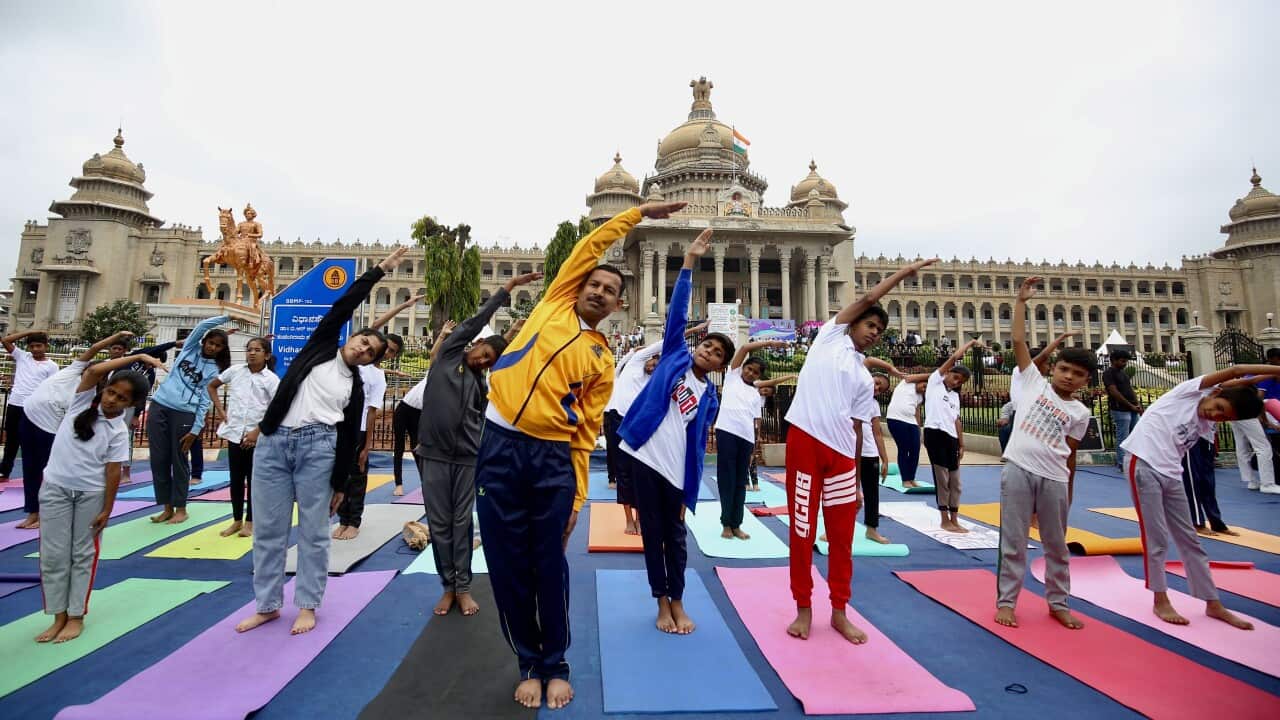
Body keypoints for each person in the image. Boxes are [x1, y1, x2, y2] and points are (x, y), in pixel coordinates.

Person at [479, 202, 681, 710]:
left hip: (551, 459)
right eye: (595, 283)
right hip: (499, 446)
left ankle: (556, 664)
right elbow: (587, 248)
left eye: (611, 291)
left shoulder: (601, 358)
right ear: (580, 285)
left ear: (617, 306)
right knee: (506, 563)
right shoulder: (554, 304)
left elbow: (587, 430)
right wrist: (639, 213)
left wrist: (577, 500)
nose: (600, 291)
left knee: (550, 562)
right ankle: (528, 661)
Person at [236, 247, 404, 637]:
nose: (364, 348)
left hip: (318, 449)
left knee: (313, 532)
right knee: (269, 529)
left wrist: (339, 484)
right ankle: (267, 605)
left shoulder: (356, 386)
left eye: (371, 352)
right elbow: (343, 305)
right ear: (354, 337)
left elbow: (348, 439)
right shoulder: (321, 347)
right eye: (363, 340)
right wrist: (379, 270)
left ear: (369, 361)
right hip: (274, 445)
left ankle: (308, 605)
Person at [782, 257, 937, 644]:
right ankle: (803, 607)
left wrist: (854, 481)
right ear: (851, 321)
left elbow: (856, 426)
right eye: (870, 324)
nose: (874, 333)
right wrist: (904, 274)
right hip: (805, 444)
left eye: (880, 330)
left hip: (840, 458)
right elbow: (868, 295)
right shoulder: (829, 338)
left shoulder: (862, 376)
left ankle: (839, 610)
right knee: (802, 531)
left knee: (841, 537)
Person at [621, 228, 733, 634]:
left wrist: (690, 489)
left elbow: (699, 446)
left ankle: (680, 600)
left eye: (717, 353)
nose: (708, 351)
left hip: (675, 472)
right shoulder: (674, 358)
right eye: (706, 345)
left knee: (677, 538)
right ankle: (662, 603)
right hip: (646, 458)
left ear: (720, 366)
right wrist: (688, 262)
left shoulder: (709, 398)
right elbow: (677, 316)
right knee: (653, 537)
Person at [416, 270, 540, 617]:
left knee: (462, 523)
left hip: (469, 458)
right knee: (439, 524)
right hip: (434, 457)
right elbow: (475, 321)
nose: (483, 361)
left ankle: (464, 586)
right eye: (485, 353)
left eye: (489, 362)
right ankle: (448, 587)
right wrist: (508, 288)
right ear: (477, 344)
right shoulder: (450, 356)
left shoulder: (481, 385)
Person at [1119, 361, 1279, 629]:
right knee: (1156, 537)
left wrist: (1258, 380)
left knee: (1190, 539)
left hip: (1171, 473)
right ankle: (1160, 599)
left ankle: (1212, 602)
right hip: (1142, 463)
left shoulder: (1206, 420)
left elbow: (1240, 385)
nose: (1216, 416)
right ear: (1214, 394)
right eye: (1218, 409)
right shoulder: (1187, 393)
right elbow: (1236, 372)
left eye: (1225, 418)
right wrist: (1276, 371)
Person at [995, 277, 1093, 631]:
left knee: (1056, 544)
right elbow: (1019, 340)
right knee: (1014, 540)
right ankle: (1007, 602)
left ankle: (1059, 602)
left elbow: (1070, 455)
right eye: (1064, 369)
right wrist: (1021, 301)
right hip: (1019, 470)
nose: (1068, 377)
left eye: (1077, 374)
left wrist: (1069, 490)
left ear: (1085, 382)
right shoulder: (1033, 383)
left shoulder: (1081, 413)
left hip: (1054, 479)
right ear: (1053, 368)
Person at [35, 362, 151, 643]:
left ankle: (75, 616)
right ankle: (57, 615)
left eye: (122, 398)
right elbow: (94, 370)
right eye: (111, 392)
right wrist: (137, 356)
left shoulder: (118, 431)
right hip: (55, 489)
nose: (112, 400)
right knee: (53, 556)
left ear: (133, 404)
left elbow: (113, 471)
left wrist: (107, 510)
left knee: (82, 554)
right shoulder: (81, 403)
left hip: (90, 495)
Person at [18, 332, 159, 529]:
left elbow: (112, 469)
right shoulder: (73, 372)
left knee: (42, 470)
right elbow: (94, 350)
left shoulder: (84, 398)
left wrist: (136, 356)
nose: (90, 371)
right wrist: (118, 339)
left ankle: (39, 514)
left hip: (48, 428)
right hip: (28, 416)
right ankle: (32, 513)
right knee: (29, 469)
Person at [604, 324, 706, 534]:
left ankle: (641, 518)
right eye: (653, 361)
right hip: (616, 420)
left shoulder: (657, 381)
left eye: (657, 365)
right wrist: (698, 329)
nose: (653, 366)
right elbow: (670, 341)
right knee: (623, 473)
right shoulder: (634, 362)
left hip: (639, 425)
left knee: (640, 473)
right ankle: (628, 520)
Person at [333, 294, 418, 540]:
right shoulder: (357, 362)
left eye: (391, 351)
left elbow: (372, 411)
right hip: (338, 425)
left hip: (359, 430)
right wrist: (402, 306)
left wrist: (367, 446)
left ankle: (354, 522)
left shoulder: (378, 376)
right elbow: (372, 329)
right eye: (385, 347)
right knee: (340, 475)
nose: (385, 352)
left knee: (357, 476)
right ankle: (342, 518)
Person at [146, 315, 232, 524]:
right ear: (204, 341)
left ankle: (181, 509)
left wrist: (195, 430)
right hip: (160, 406)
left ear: (222, 350)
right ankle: (166, 507)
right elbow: (202, 325)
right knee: (159, 459)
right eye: (211, 343)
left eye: (218, 346)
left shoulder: (215, 369)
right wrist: (229, 317)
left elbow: (205, 401)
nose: (213, 348)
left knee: (179, 459)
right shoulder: (189, 349)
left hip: (184, 413)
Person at [715, 339, 790, 539]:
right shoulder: (732, 377)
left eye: (755, 372)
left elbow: (755, 423)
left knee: (740, 482)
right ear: (743, 367)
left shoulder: (755, 393)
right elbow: (745, 348)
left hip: (746, 438)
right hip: (726, 433)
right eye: (749, 368)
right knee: (727, 480)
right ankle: (726, 524)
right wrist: (772, 343)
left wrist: (754, 449)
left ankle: (736, 523)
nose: (750, 373)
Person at [207, 336, 279, 538]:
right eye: (249, 349)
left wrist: (258, 431)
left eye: (257, 350)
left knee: (255, 480)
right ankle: (237, 520)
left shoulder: (271, 380)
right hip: (235, 434)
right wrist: (221, 410)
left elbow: (276, 409)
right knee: (236, 479)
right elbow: (212, 386)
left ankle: (251, 521)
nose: (252, 353)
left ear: (267, 355)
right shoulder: (236, 372)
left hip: (257, 437)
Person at [923, 338, 981, 532]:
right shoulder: (935, 382)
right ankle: (944, 518)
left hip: (951, 438)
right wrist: (970, 343)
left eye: (961, 382)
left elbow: (956, 420)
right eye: (956, 377)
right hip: (935, 433)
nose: (957, 382)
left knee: (956, 481)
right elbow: (955, 356)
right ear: (948, 373)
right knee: (943, 478)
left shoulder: (955, 396)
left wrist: (961, 443)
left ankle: (955, 517)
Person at [1, 330, 59, 481]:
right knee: (11, 441)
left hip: (35, 408)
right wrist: (29, 331)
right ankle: (4, 471)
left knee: (33, 442)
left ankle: (37, 474)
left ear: (46, 346)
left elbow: (52, 388)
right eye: (32, 346)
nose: (35, 349)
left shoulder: (51, 366)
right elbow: (6, 340)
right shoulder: (22, 357)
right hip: (15, 404)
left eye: (38, 346)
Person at [854, 372, 894, 544]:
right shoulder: (850, 396)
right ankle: (834, 529)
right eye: (876, 383)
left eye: (880, 389)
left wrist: (885, 459)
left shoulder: (873, 404)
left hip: (869, 454)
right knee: (845, 492)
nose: (876, 388)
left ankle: (871, 529)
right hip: (849, 450)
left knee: (871, 494)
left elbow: (877, 433)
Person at [884, 372, 930, 488]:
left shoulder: (920, 397)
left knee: (915, 450)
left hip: (911, 422)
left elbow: (917, 412)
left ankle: (911, 478)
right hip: (896, 419)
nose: (924, 390)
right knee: (904, 448)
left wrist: (919, 430)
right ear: (920, 381)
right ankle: (905, 480)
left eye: (926, 390)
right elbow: (916, 377)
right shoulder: (907, 382)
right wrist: (938, 374)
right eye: (924, 386)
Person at [1105, 349, 1143, 471]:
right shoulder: (1108, 373)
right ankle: (1122, 462)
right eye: (1122, 361)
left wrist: (1136, 404)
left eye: (1126, 361)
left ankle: (1132, 461)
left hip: (1131, 408)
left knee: (1134, 436)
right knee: (1123, 436)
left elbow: (1130, 390)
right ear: (1114, 360)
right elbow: (1113, 391)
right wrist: (1130, 405)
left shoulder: (1124, 374)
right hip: (1120, 409)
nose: (1125, 363)